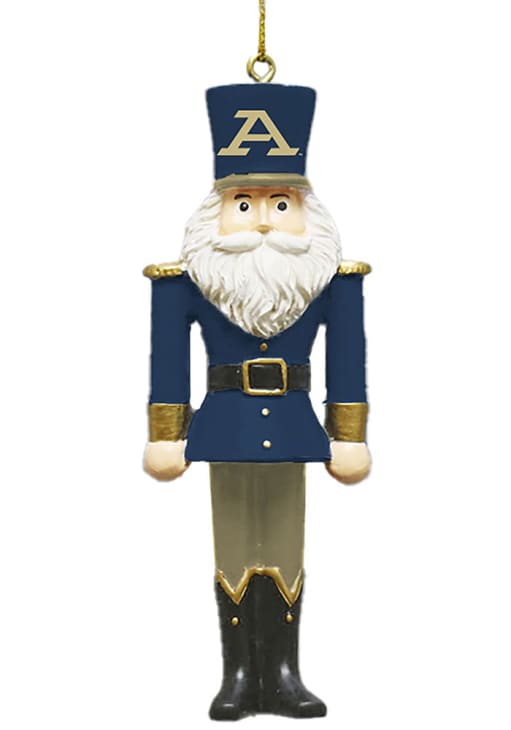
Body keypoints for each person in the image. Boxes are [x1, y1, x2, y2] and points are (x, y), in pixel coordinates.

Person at [143, 84, 371, 720]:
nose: (265, 220)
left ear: (306, 210)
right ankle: (240, 673)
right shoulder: (186, 283)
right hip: (223, 424)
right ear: (216, 212)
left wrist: (348, 433)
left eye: (280, 203)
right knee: (234, 541)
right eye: (245, 204)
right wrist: (166, 431)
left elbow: (347, 357)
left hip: (296, 425)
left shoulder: (330, 281)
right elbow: (168, 359)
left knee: (287, 541)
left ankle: (285, 672)